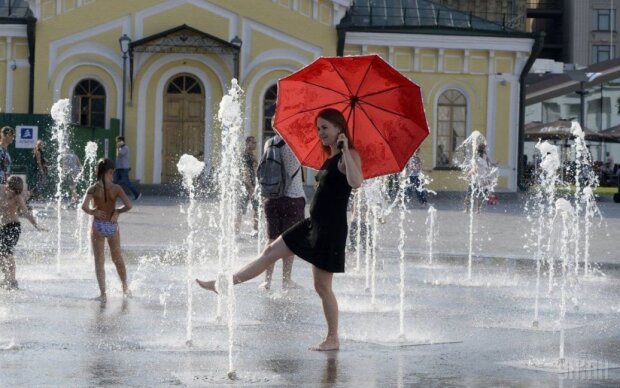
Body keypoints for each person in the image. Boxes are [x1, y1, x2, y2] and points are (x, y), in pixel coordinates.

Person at [197, 108, 363, 351]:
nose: (320, 133)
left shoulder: (349, 156)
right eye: (318, 128)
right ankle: (224, 284)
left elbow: (356, 182)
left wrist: (346, 149)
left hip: (330, 230)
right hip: (312, 225)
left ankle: (333, 338)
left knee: (323, 287)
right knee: (269, 252)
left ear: (339, 128)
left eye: (325, 127)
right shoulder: (328, 157)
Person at [259, 132, 306, 291]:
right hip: (293, 198)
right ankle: (286, 280)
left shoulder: (269, 143)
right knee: (290, 241)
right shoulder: (296, 143)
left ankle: (267, 280)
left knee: (271, 240)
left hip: (272, 198)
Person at [81, 158, 133, 303]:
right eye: (112, 173)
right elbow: (129, 205)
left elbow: (84, 207)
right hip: (112, 225)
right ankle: (125, 287)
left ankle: (103, 294)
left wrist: (94, 212)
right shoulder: (116, 189)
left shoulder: (92, 188)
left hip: (98, 226)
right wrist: (117, 211)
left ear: (98, 171)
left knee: (99, 260)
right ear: (110, 172)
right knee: (117, 258)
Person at [0, 176, 45, 290]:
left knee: (8, 253)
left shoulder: (18, 197)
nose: (15, 192)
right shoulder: (1, 190)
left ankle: (13, 280)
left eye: (17, 190)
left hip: (13, 227)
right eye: (13, 190)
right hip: (2, 227)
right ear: (7, 186)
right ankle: (6, 278)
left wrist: (36, 225)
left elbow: (26, 212)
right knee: (1, 254)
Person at [235, 136, 259, 236]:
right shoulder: (245, 156)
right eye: (253, 142)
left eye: (255, 142)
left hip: (251, 185)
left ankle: (255, 230)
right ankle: (236, 231)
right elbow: (245, 172)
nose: (255, 144)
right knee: (241, 208)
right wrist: (250, 187)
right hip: (246, 186)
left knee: (256, 208)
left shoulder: (250, 155)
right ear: (247, 143)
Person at [464, 143, 493, 213]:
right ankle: (476, 210)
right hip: (481, 180)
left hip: (478, 179)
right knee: (479, 195)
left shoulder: (482, 157)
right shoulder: (483, 158)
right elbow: (479, 168)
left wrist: (469, 174)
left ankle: (468, 209)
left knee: (470, 194)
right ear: (483, 149)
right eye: (485, 148)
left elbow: (476, 168)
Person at [113, 136, 141, 201]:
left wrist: (117, 148)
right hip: (118, 168)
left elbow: (119, 155)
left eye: (118, 141)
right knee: (114, 182)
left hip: (123, 168)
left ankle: (137, 194)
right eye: (117, 141)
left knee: (127, 183)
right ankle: (113, 195)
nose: (117, 142)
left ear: (122, 141)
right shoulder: (120, 148)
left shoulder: (125, 148)